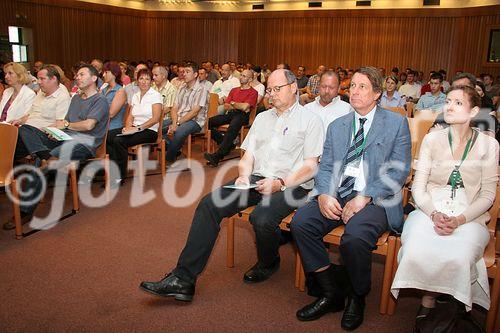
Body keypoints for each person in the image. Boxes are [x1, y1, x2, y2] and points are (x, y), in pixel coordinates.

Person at [139, 69, 324, 302]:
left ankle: (269, 262)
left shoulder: (310, 120)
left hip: (294, 184)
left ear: (294, 87)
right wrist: (244, 176)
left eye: (278, 89)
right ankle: (183, 279)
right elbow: (248, 156)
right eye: (270, 90)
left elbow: (311, 166)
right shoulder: (263, 118)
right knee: (209, 204)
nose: (272, 94)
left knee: (262, 218)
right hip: (257, 179)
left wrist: (281, 183)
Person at [290, 66, 411, 330]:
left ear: (377, 93)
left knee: (354, 238)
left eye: (362, 87)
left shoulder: (395, 123)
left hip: (377, 197)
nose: (354, 91)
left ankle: (358, 295)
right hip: (339, 192)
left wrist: (365, 196)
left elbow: (399, 171)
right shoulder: (338, 125)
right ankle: (330, 291)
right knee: (301, 223)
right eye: (352, 86)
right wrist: (324, 194)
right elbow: (325, 168)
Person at [391, 85, 498, 327]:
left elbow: (488, 195)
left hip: (470, 213)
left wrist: (460, 219)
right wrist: (434, 213)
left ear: (474, 112)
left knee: (459, 253)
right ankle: (429, 300)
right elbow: (418, 187)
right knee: (416, 246)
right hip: (431, 208)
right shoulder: (432, 139)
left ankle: (451, 301)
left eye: (458, 103)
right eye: (448, 101)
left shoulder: (489, 145)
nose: (449, 106)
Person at [8, 64, 109, 225]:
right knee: (26, 130)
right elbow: (63, 123)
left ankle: (24, 211)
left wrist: (65, 126)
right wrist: (54, 130)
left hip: (84, 143)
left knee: (42, 164)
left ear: (94, 78)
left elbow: (88, 125)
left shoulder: (100, 100)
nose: (77, 77)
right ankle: (46, 157)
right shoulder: (76, 98)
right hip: (64, 137)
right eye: (77, 75)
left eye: (82, 75)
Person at [107, 68, 162, 187]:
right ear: (137, 81)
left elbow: (155, 119)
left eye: (147, 79)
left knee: (119, 140)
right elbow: (130, 116)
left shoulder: (155, 95)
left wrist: (136, 129)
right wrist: (127, 128)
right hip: (134, 128)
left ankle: (119, 176)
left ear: (151, 81)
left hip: (149, 130)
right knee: (108, 136)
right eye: (141, 78)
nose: (144, 81)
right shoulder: (135, 95)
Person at [203, 69, 258, 167]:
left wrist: (233, 103)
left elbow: (245, 107)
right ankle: (225, 143)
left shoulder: (253, 92)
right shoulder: (234, 90)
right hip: (231, 113)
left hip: (243, 116)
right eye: (241, 75)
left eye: (244, 76)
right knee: (208, 122)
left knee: (232, 126)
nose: (241, 77)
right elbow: (226, 106)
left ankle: (217, 156)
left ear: (250, 79)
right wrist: (237, 105)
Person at [166, 62, 208, 163]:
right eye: (183, 71)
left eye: (187, 72)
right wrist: (175, 122)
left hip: (195, 121)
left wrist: (177, 124)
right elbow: (174, 107)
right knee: (157, 127)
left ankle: (169, 159)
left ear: (195, 75)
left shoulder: (201, 89)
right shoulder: (181, 87)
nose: (184, 74)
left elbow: (194, 112)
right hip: (179, 118)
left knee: (179, 132)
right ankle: (176, 150)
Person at [10, 65, 70, 130]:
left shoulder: (62, 96)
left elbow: (59, 124)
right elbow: (30, 115)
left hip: (43, 133)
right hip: (27, 128)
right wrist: (19, 121)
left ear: (53, 79)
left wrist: (40, 130)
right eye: (38, 78)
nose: (38, 82)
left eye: (42, 79)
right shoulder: (41, 92)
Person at [101, 61, 125, 130]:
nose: (103, 75)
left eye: (106, 72)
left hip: (113, 128)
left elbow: (111, 114)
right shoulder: (104, 89)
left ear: (114, 73)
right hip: (102, 127)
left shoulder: (120, 91)